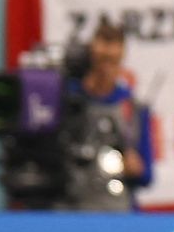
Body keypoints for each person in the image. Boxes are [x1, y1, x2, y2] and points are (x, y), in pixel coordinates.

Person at [63, 18, 155, 211]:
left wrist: (136, 169)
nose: (106, 68)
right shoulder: (67, 98)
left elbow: (147, 175)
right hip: (71, 207)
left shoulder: (133, 109)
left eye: (113, 61)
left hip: (117, 210)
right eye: (101, 60)